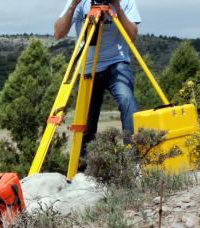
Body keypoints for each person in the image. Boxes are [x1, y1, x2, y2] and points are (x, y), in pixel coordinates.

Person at [55, 0, 142, 163]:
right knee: (87, 119)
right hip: (88, 67)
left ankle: (133, 159)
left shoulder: (125, 2)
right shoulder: (81, 3)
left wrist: (117, 8)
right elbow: (58, 33)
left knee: (127, 100)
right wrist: (74, 4)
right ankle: (84, 166)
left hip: (117, 63)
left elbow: (132, 35)